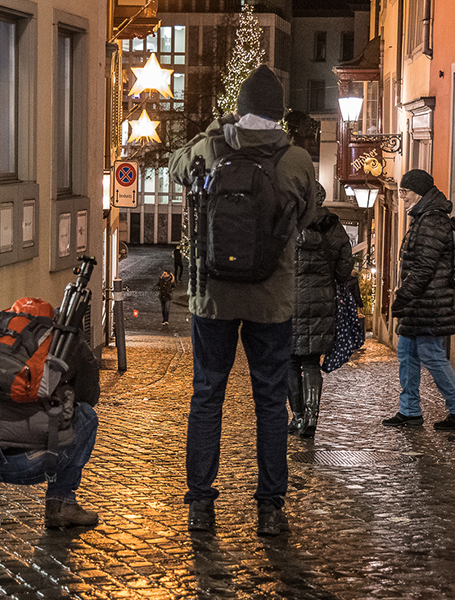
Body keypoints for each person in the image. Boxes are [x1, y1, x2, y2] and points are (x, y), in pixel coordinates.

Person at [168, 64, 315, 536]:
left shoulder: (212, 148)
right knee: (270, 402)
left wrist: (216, 129)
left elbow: (174, 168)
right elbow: (311, 213)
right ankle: (270, 507)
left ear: (241, 109)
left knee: (207, 396)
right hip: (271, 301)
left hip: (213, 297)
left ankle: (200, 504)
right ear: (278, 115)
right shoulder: (295, 161)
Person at [0, 299, 101, 528]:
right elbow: (89, 395)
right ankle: (61, 504)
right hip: (35, 462)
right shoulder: (65, 342)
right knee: (87, 415)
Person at [384, 169, 455, 430]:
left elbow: (424, 268)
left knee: (431, 353)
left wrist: (403, 296)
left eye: (405, 192)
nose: (401, 196)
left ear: (419, 192)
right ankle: (410, 411)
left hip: (430, 303)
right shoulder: (423, 217)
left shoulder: (432, 221)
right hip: (420, 303)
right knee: (407, 352)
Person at [288, 182, 354, 439]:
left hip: (289, 302)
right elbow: (344, 269)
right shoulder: (334, 226)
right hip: (322, 303)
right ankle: (313, 417)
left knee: (289, 361)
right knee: (311, 362)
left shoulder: (288, 225)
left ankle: (298, 416)